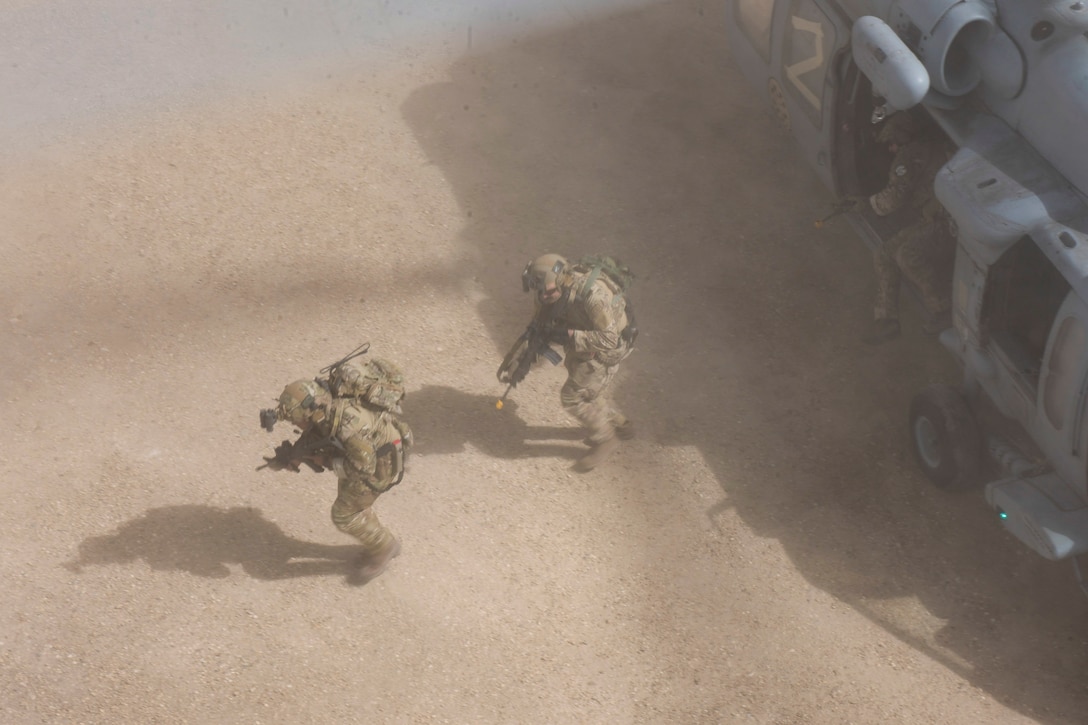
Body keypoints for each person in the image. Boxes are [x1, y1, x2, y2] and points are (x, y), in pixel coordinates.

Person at [260, 360, 413, 582]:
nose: (299, 425)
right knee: (352, 501)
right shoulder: (325, 403)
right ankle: (369, 525)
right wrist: (296, 455)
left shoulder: (349, 426)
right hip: (371, 449)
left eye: (298, 421)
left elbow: (362, 469)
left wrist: (321, 459)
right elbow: (317, 433)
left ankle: (385, 547)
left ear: (309, 413)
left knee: (344, 515)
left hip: (380, 464)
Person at [512, 253, 637, 471]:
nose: (543, 296)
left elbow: (609, 340)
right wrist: (525, 358)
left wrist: (570, 335)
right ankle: (620, 424)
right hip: (586, 342)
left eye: (548, 290)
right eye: (539, 291)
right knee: (588, 391)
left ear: (562, 280)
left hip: (608, 350)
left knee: (572, 397)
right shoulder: (549, 293)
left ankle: (606, 438)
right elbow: (540, 324)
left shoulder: (591, 296)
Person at [861, 111, 954, 345]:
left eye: (892, 143)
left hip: (950, 224)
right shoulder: (932, 146)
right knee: (885, 254)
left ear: (902, 137)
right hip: (938, 219)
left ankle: (944, 310)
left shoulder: (909, 155)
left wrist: (867, 204)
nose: (891, 149)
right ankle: (886, 321)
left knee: (907, 254)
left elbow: (893, 199)